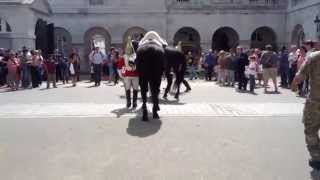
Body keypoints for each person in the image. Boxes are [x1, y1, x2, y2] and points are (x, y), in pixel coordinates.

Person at [291, 50, 320, 170]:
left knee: (311, 130)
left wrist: (293, 85)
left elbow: (299, 76)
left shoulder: (314, 57)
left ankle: (317, 157)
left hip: (315, 102)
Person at [122, 37, 139, 108]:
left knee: (128, 89)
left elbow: (121, 67)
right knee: (135, 89)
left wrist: (122, 75)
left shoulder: (124, 56)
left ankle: (129, 102)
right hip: (135, 75)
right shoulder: (137, 56)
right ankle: (133, 102)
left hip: (128, 75)